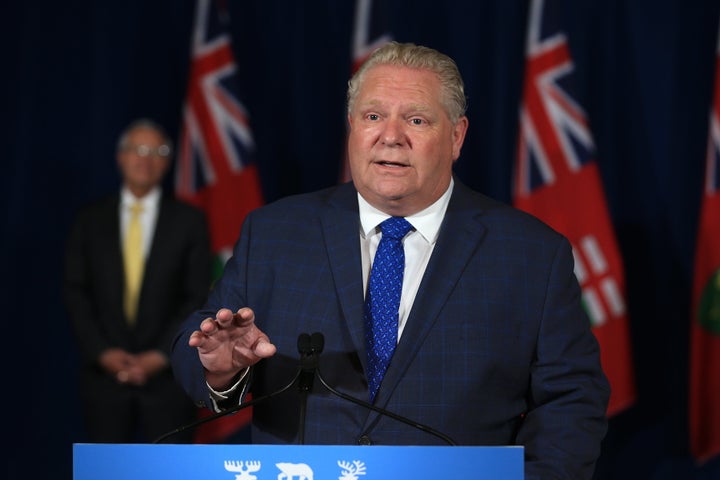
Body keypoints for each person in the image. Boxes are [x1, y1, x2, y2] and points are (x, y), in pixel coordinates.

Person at [170, 42, 610, 478]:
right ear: (351, 126)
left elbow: (571, 400)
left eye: (416, 119)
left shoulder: (531, 253)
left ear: (456, 136)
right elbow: (201, 344)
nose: (391, 136)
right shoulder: (275, 232)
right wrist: (220, 371)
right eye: (373, 116)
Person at [64, 118, 211, 443]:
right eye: (137, 149)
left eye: (156, 151)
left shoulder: (190, 221)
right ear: (121, 157)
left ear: (168, 162)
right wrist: (103, 352)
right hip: (104, 380)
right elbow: (76, 293)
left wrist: (159, 355)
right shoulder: (90, 220)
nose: (145, 159)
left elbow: (198, 295)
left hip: (169, 381)